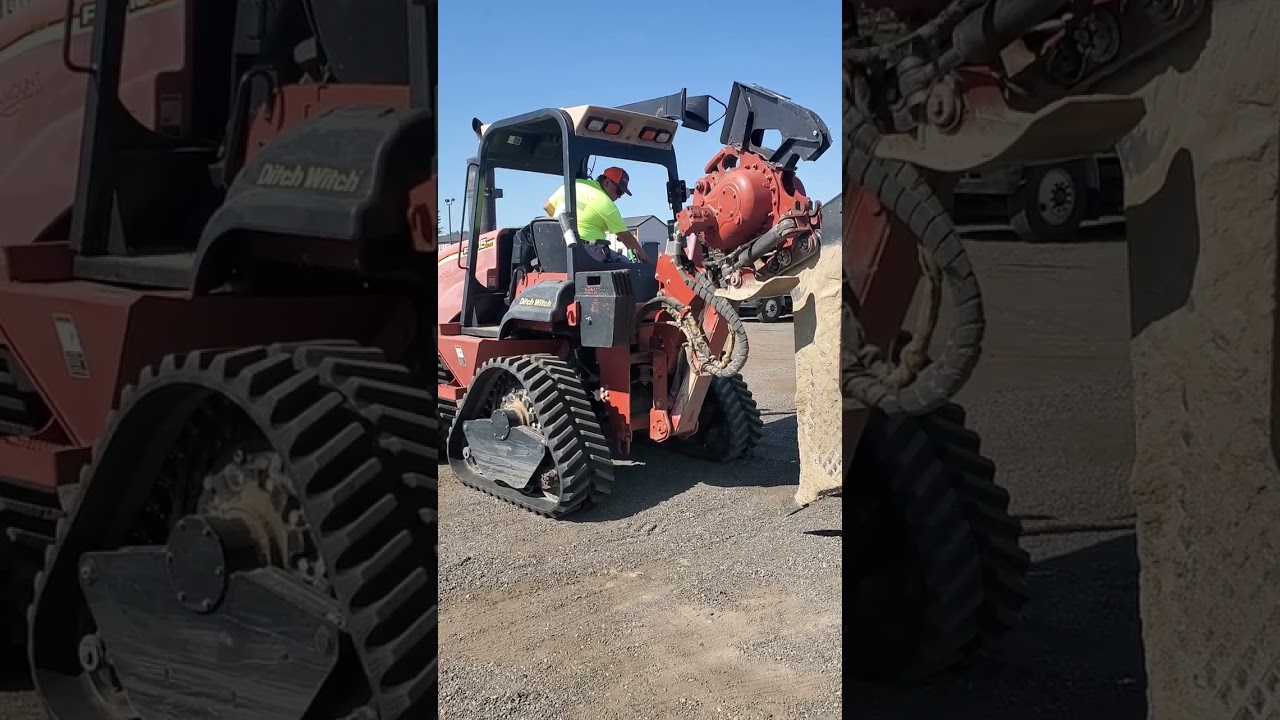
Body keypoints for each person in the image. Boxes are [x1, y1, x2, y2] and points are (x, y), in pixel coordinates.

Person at [543, 167, 652, 263]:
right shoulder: (605, 204)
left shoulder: (571, 185)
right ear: (607, 183)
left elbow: (547, 206)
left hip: (556, 249)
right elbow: (628, 240)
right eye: (619, 191)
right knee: (626, 263)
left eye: (622, 193)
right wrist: (647, 261)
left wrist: (565, 225)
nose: (619, 197)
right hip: (587, 252)